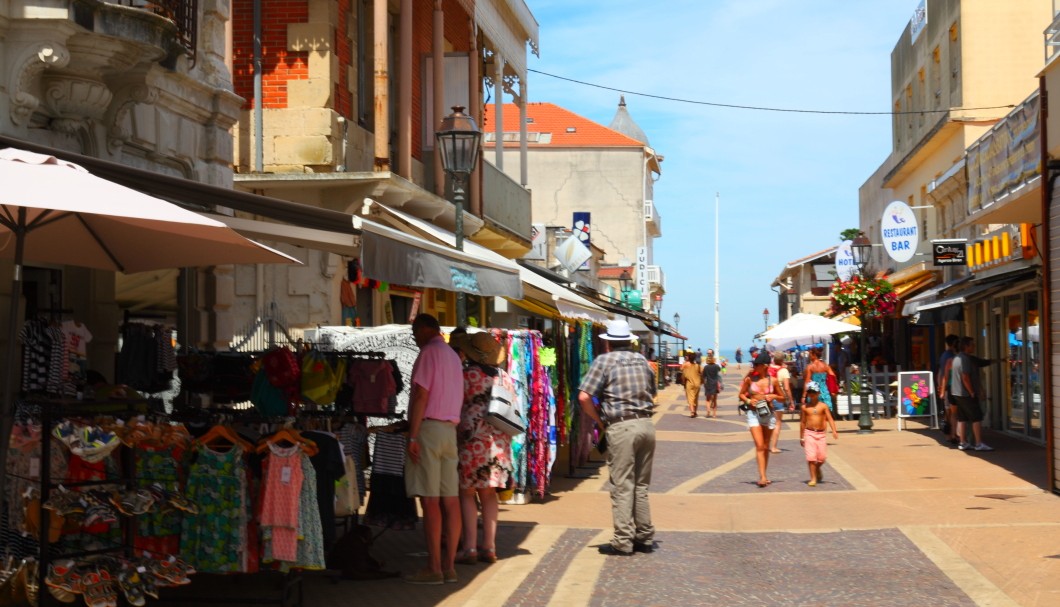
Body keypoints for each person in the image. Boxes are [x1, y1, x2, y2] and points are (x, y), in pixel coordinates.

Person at [577, 319, 657, 556]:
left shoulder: (604, 360)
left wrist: (600, 421)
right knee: (641, 486)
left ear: (609, 343)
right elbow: (652, 392)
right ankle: (644, 535)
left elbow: (584, 396)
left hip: (621, 426)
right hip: (646, 424)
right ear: (629, 340)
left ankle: (623, 540)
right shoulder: (642, 360)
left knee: (622, 485)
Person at [403, 313, 465, 585]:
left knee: (430, 501)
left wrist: (412, 436)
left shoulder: (429, 353)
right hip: (449, 432)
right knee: (450, 501)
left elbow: (421, 395)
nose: (414, 338)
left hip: (429, 430)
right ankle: (449, 567)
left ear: (425, 329)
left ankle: (434, 568)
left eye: (415, 333)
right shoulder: (453, 356)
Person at [448, 331, 513, 567]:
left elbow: (456, 402)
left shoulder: (466, 375)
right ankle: (490, 546)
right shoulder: (504, 377)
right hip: (498, 442)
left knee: (467, 493)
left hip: (471, 440)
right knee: (488, 495)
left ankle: (470, 548)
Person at [737, 351, 784, 487]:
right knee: (759, 445)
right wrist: (748, 401)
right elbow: (741, 395)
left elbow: (782, 397)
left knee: (765, 446)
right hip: (753, 414)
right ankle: (762, 477)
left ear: (764, 366)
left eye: (757, 365)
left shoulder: (773, 381)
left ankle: (764, 474)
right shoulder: (750, 379)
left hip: (768, 414)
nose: (754, 367)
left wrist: (773, 397)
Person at [939, 336, 994, 452]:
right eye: (972, 345)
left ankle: (963, 442)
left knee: (962, 418)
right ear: (966, 346)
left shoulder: (956, 359)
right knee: (976, 418)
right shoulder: (965, 359)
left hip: (956, 393)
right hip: (965, 394)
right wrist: (972, 392)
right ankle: (978, 443)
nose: (974, 346)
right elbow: (965, 377)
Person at [799, 381, 838, 487]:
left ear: (818, 393)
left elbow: (830, 418)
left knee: (822, 457)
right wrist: (801, 437)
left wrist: (834, 430)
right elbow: (802, 422)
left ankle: (817, 469)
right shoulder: (805, 407)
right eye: (810, 392)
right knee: (811, 457)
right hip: (809, 433)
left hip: (821, 434)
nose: (812, 394)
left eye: (814, 392)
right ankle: (813, 478)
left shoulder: (823, 406)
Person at [768, 351, 795, 453]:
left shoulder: (769, 368)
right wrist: (791, 401)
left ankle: (766, 444)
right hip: (779, 398)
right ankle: (773, 447)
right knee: (777, 423)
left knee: (767, 421)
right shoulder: (784, 371)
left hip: (768, 397)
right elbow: (787, 388)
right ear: (783, 360)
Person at [936, 334, 960, 444]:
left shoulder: (944, 355)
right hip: (949, 388)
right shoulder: (949, 356)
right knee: (950, 413)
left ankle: (950, 435)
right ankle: (952, 435)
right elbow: (944, 374)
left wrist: (940, 386)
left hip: (945, 388)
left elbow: (940, 372)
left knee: (949, 413)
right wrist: (942, 388)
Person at [803, 347, 837, 415]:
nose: (809, 356)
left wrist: (803, 396)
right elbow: (833, 376)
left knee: (813, 413)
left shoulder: (810, 367)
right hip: (824, 391)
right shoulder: (825, 366)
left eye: (810, 354)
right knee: (826, 414)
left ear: (814, 355)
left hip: (814, 391)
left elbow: (807, 382)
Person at [680, 352, 702, 417]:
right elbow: (702, 372)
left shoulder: (685, 365)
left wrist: (683, 382)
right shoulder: (697, 365)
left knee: (690, 398)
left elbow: (682, 373)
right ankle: (695, 411)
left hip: (689, 384)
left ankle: (692, 412)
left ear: (688, 357)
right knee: (695, 398)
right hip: (697, 384)